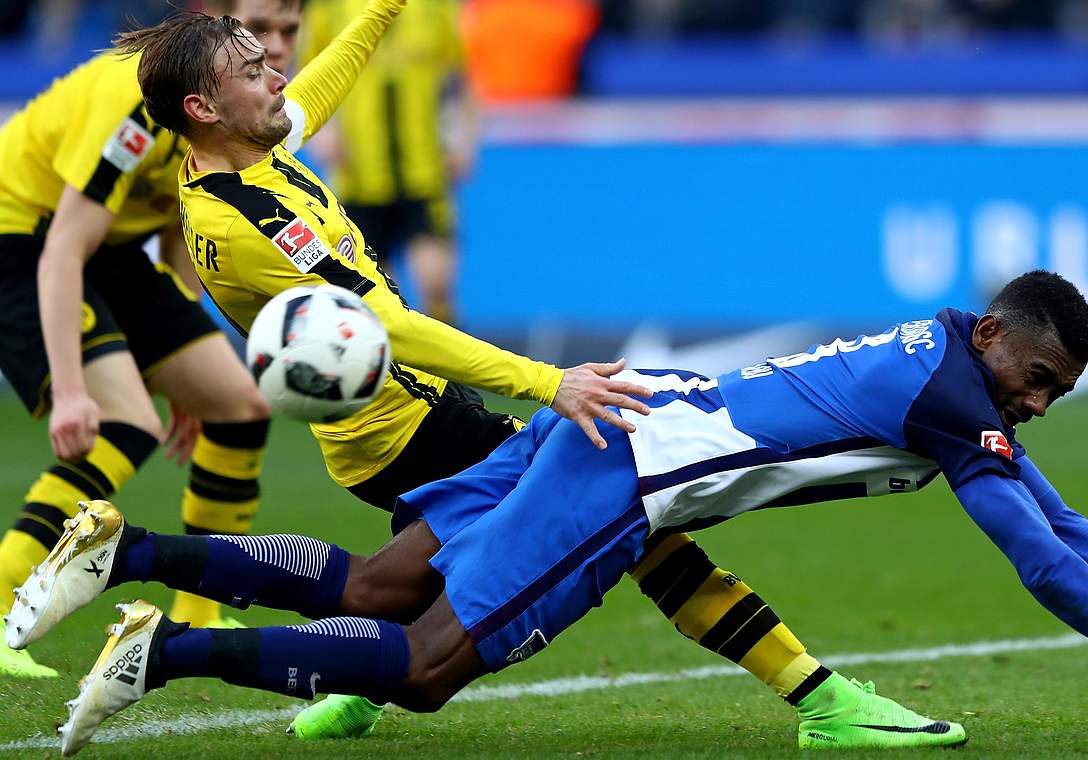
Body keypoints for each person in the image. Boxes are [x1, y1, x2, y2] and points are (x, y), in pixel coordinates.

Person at [15, 271, 1088, 756]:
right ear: (996, 337)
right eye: (1035, 382)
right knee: (420, 674)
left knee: (377, 591)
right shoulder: (954, 394)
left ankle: (127, 548)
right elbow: (1043, 570)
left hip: (619, 413)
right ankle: (167, 648)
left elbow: (1064, 522)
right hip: (626, 474)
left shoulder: (951, 368)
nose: (1036, 408)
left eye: (1051, 396)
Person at [96, 2, 932, 747]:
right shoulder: (247, 220)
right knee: (640, 524)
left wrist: (381, 11)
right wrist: (548, 383)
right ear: (205, 108)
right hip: (406, 423)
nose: (278, 74)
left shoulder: (243, 161)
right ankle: (820, 697)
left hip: (400, 420)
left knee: (385, 591)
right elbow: (393, 329)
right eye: (255, 69)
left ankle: (167, 582)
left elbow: (319, 84)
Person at [0, 0, 293, 681]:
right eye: (261, 38)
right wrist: (72, 394)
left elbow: (183, 222)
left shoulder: (231, 106)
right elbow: (64, 249)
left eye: (287, 33)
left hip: (113, 243)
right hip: (26, 238)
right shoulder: (134, 110)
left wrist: (181, 364)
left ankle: (199, 609)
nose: (278, 52)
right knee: (123, 423)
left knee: (238, 404)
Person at [300, 0, 472, 325]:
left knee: (436, 283)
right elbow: (310, 74)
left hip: (424, 172)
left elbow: (459, 78)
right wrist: (324, 132)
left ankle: (450, 371)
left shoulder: (437, 8)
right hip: (359, 177)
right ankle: (399, 371)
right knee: (382, 300)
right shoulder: (329, 9)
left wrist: (463, 138)